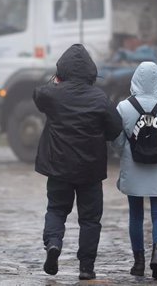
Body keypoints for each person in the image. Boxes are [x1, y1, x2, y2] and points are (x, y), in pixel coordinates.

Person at [33, 43, 122, 280]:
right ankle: (86, 267)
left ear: (62, 70)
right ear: (91, 71)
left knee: (56, 209)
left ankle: (53, 244)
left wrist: (56, 82)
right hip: (90, 171)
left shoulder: (52, 95)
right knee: (90, 219)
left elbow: (38, 94)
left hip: (58, 167)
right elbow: (115, 129)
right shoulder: (100, 98)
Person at [112, 61, 157, 280]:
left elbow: (115, 140)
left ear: (135, 79)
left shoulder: (124, 107)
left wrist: (125, 152)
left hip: (133, 169)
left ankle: (138, 263)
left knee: (135, 216)